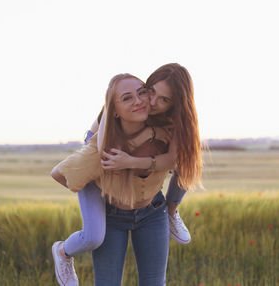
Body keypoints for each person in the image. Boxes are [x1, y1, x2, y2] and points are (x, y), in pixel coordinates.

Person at [51, 64, 202, 285]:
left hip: (153, 211)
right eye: (150, 92)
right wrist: (97, 191)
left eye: (164, 100)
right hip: (112, 213)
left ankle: (172, 211)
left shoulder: (171, 123)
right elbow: (64, 170)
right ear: (114, 109)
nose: (149, 102)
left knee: (189, 160)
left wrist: (146, 140)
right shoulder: (105, 140)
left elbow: (173, 160)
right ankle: (64, 251)